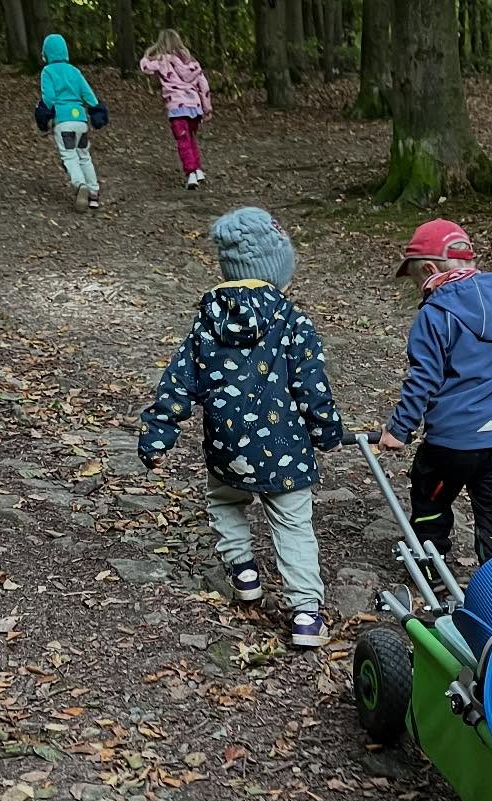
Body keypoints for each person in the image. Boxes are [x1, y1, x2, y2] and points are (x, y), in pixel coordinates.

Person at [137, 208, 342, 647]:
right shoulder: (293, 321)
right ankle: (306, 613)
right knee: (292, 524)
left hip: (228, 448)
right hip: (286, 451)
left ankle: (243, 570)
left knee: (226, 501)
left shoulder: (206, 323)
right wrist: (326, 431)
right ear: (275, 271)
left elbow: (178, 380)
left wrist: (158, 434)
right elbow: (312, 385)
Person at [378, 219, 492, 567]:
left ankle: (431, 571)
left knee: (430, 498)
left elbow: (424, 377)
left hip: (454, 441)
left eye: (417, 280)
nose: (420, 289)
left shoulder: (435, 315)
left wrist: (399, 430)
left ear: (430, 269)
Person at [36, 33, 103, 211]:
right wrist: (96, 108)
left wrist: (43, 113)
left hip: (63, 121)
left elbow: (48, 97)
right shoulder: (74, 71)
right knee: (84, 155)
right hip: (81, 120)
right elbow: (88, 93)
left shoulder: (48, 72)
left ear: (47, 53)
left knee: (69, 155)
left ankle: (79, 184)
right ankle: (94, 192)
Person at [140, 28, 212, 190]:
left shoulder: (162, 61)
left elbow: (144, 66)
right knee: (191, 138)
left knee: (183, 141)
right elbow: (204, 86)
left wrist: (149, 52)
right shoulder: (192, 64)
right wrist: (207, 108)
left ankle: (191, 173)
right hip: (195, 107)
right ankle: (198, 169)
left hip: (177, 108)